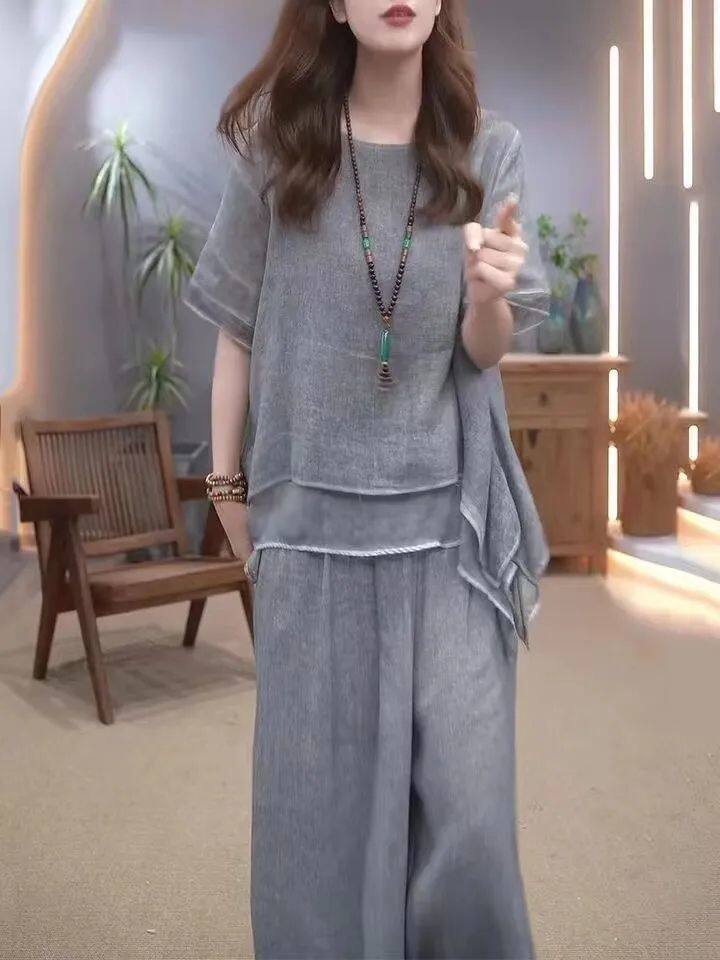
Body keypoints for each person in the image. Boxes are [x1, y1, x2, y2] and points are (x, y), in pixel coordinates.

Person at [184, 1, 551, 957]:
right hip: (313, 543)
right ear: (337, 6)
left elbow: (485, 352)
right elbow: (235, 332)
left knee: (471, 833)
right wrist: (226, 493)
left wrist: (489, 298)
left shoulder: (488, 149)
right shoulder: (278, 146)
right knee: (322, 841)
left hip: (451, 543)